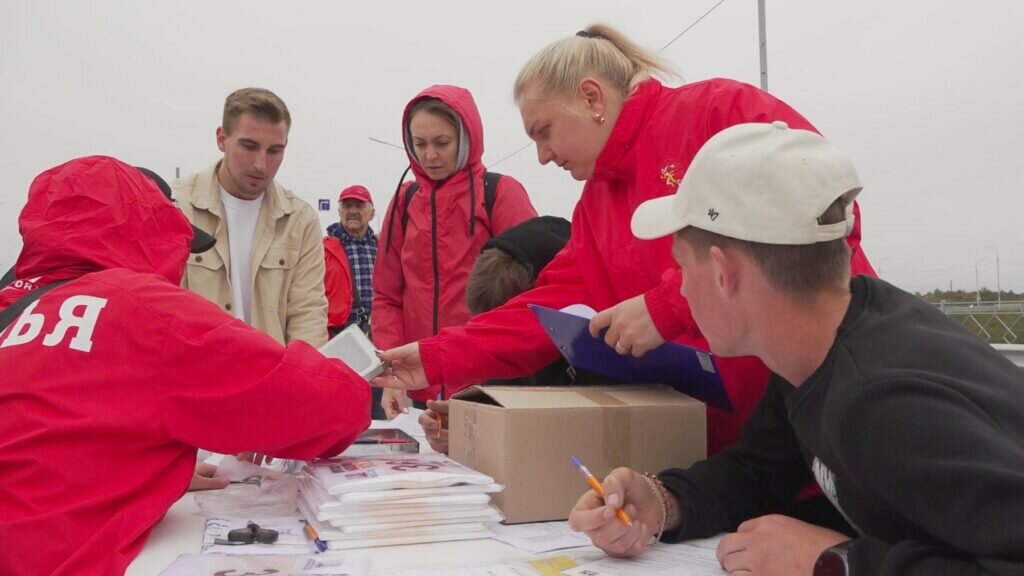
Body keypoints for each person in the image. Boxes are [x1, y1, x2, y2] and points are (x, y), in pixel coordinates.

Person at [377, 25, 875, 457]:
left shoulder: (718, 112)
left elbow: (826, 220)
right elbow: (543, 310)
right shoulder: (595, 207)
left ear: (592, 99)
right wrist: (437, 356)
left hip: (832, 411)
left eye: (544, 132)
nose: (543, 156)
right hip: (725, 450)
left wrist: (667, 307)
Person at [569, 122, 1024, 575]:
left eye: (681, 267)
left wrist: (833, 563)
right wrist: (662, 501)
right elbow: (755, 472)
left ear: (724, 273)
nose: (682, 289)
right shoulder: (811, 357)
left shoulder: (884, 404)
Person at [0, 156, 377, 576]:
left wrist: (153, 468)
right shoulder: (143, 310)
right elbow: (332, 406)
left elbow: (46, 437)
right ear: (152, 233)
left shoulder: (11, 305)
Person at [374, 84, 538, 418]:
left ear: (466, 139)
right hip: (418, 387)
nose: (429, 156)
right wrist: (392, 373)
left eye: (442, 143)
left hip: (487, 385)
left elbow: (531, 292)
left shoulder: (500, 193)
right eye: (419, 144)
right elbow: (387, 296)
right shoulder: (405, 201)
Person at [174, 87, 329, 347]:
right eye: (249, 146)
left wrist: (305, 370)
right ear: (221, 139)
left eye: (274, 151)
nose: (261, 164)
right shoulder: (176, 207)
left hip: (274, 372)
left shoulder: (300, 220)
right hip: (195, 371)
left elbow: (308, 315)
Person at [419, 215, 573, 452]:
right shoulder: (513, 346)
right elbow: (500, 393)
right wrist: (464, 419)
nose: (505, 339)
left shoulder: (593, 340)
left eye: (509, 328)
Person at [324, 185, 377, 337]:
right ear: (339, 212)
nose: (353, 211)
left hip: (376, 334)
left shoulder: (384, 249)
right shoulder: (322, 249)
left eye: (359, 206)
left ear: (372, 214)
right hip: (336, 335)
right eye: (347, 206)